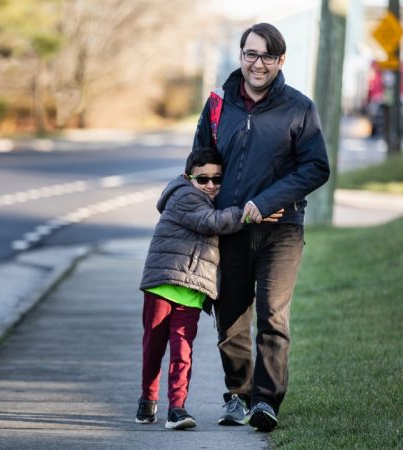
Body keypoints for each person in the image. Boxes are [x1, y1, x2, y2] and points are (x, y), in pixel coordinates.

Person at [192, 23, 331, 431]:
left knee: (273, 314)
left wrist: (265, 202)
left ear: (280, 61)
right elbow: (200, 160)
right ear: (240, 55)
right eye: (251, 54)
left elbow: (316, 167)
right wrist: (205, 206)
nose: (258, 63)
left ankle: (266, 402)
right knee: (230, 315)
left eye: (267, 56)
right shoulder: (218, 104)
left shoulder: (298, 107)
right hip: (230, 227)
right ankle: (239, 394)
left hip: (282, 229)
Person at [135, 147, 281, 430]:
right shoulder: (183, 196)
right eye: (203, 179)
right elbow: (210, 223)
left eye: (217, 179)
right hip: (162, 286)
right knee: (153, 348)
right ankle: (147, 400)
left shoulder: (210, 199)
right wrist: (250, 213)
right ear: (188, 177)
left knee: (182, 352)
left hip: (191, 291)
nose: (211, 186)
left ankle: (177, 408)